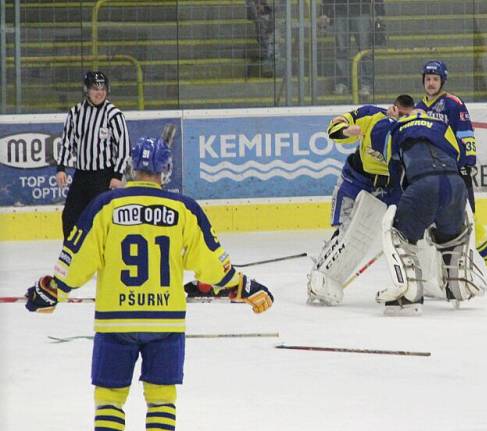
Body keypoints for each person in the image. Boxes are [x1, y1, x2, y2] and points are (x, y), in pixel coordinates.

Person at [25, 136, 274, 429]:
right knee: (161, 400)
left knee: (109, 399)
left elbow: (78, 258)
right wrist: (243, 285)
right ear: (165, 169)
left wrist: (53, 290)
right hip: (165, 323)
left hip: (115, 321)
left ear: (131, 167)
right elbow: (213, 267)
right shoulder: (185, 209)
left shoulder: (105, 205)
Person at [372, 110, 485, 314]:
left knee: (400, 235)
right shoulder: (442, 126)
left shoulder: (393, 130)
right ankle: (456, 285)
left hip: (423, 184)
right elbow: (462, 156)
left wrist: (399, 204)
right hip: (455, 185)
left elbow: (394, 173)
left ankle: (410, 294)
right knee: (451, 236)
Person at [305, 95, 415, 305]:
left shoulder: (412, 130)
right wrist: (347, 131)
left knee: (409, 230)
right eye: (399, 114)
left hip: (391, 187)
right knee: (345, 229)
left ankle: (415, 280)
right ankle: (321, 275)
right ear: (392, 109)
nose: (401, 119)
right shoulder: (371, 115)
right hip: (357, 180)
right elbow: (334, 127)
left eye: (405, 116)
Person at [415, 60, 487, 289]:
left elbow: (466, 134)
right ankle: (441, 275)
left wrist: (466, 163)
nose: (431, 83)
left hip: (455, 172)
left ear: (442, 81)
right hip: (431, 174)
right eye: (428, 79)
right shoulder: (419, 107)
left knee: (469, 219)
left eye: (435, 79)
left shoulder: (453, 104)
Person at [56, 71, 130, 240]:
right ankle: (73, 255)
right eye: (95, 88)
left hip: (104, 176)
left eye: (103, 88)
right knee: (69, 217)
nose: (99, 92)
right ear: (86, 90)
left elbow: (124, 147)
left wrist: (117, 175)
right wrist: (61, 168)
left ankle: (104, 256)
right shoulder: (75, 112)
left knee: (102, 219)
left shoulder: (114, 114)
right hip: (81, 176)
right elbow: (67, 141)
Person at [319, 0, 385, 97]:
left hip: (356, 10)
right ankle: (351, 83)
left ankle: (363, 84)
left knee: (361, 50)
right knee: (347, 49)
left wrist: (379, 11)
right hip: (345, 10)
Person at [245, 0, 275, 77]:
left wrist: (262, 5)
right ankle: (267, 58)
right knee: (261, 25)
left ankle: (267, 57)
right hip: (259, 17)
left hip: (265, 15)